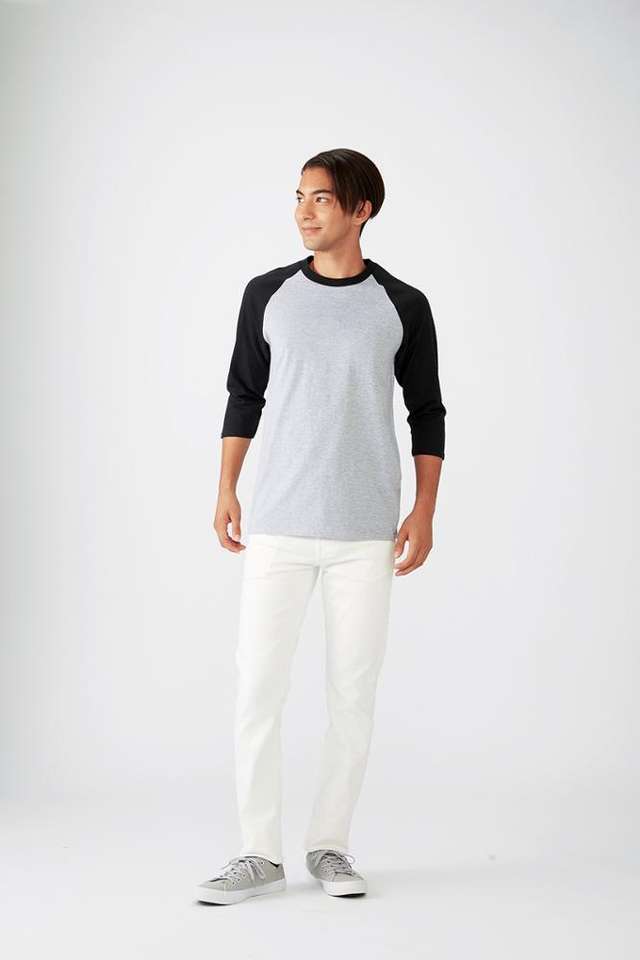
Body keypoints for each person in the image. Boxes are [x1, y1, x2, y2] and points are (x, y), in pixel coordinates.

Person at [196, 148, 446, 905]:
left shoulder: (402, 305)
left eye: (322, 199)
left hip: (364, 533)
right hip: (277, 525)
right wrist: (227, 487)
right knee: (257, 689)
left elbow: (427, 412)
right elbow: (244, 393)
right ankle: (258, 852)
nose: (304, 211)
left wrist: (424, 509)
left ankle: (330, 845)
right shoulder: (267, 294)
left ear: (361, 210)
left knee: (352, 695)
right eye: (299, 196)